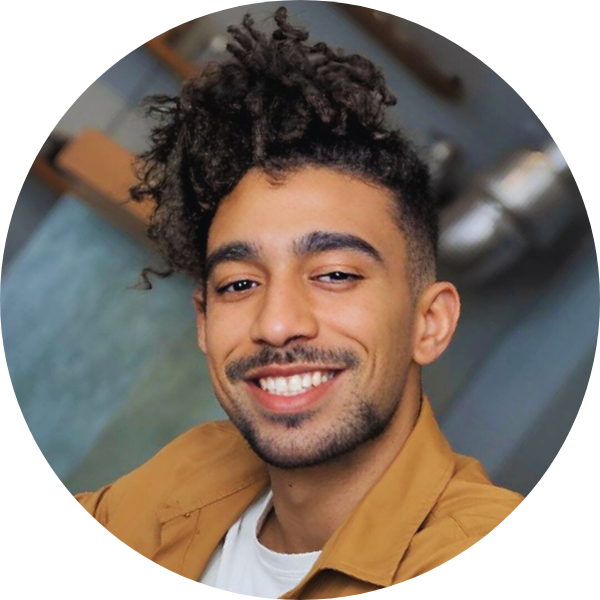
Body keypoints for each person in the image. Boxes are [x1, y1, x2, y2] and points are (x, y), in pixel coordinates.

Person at [74, 7, 525, 597]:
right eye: (239, 284)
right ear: (204, 322)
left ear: (430, 322)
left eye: (335, 274)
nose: (277, 323)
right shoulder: (198, 462)